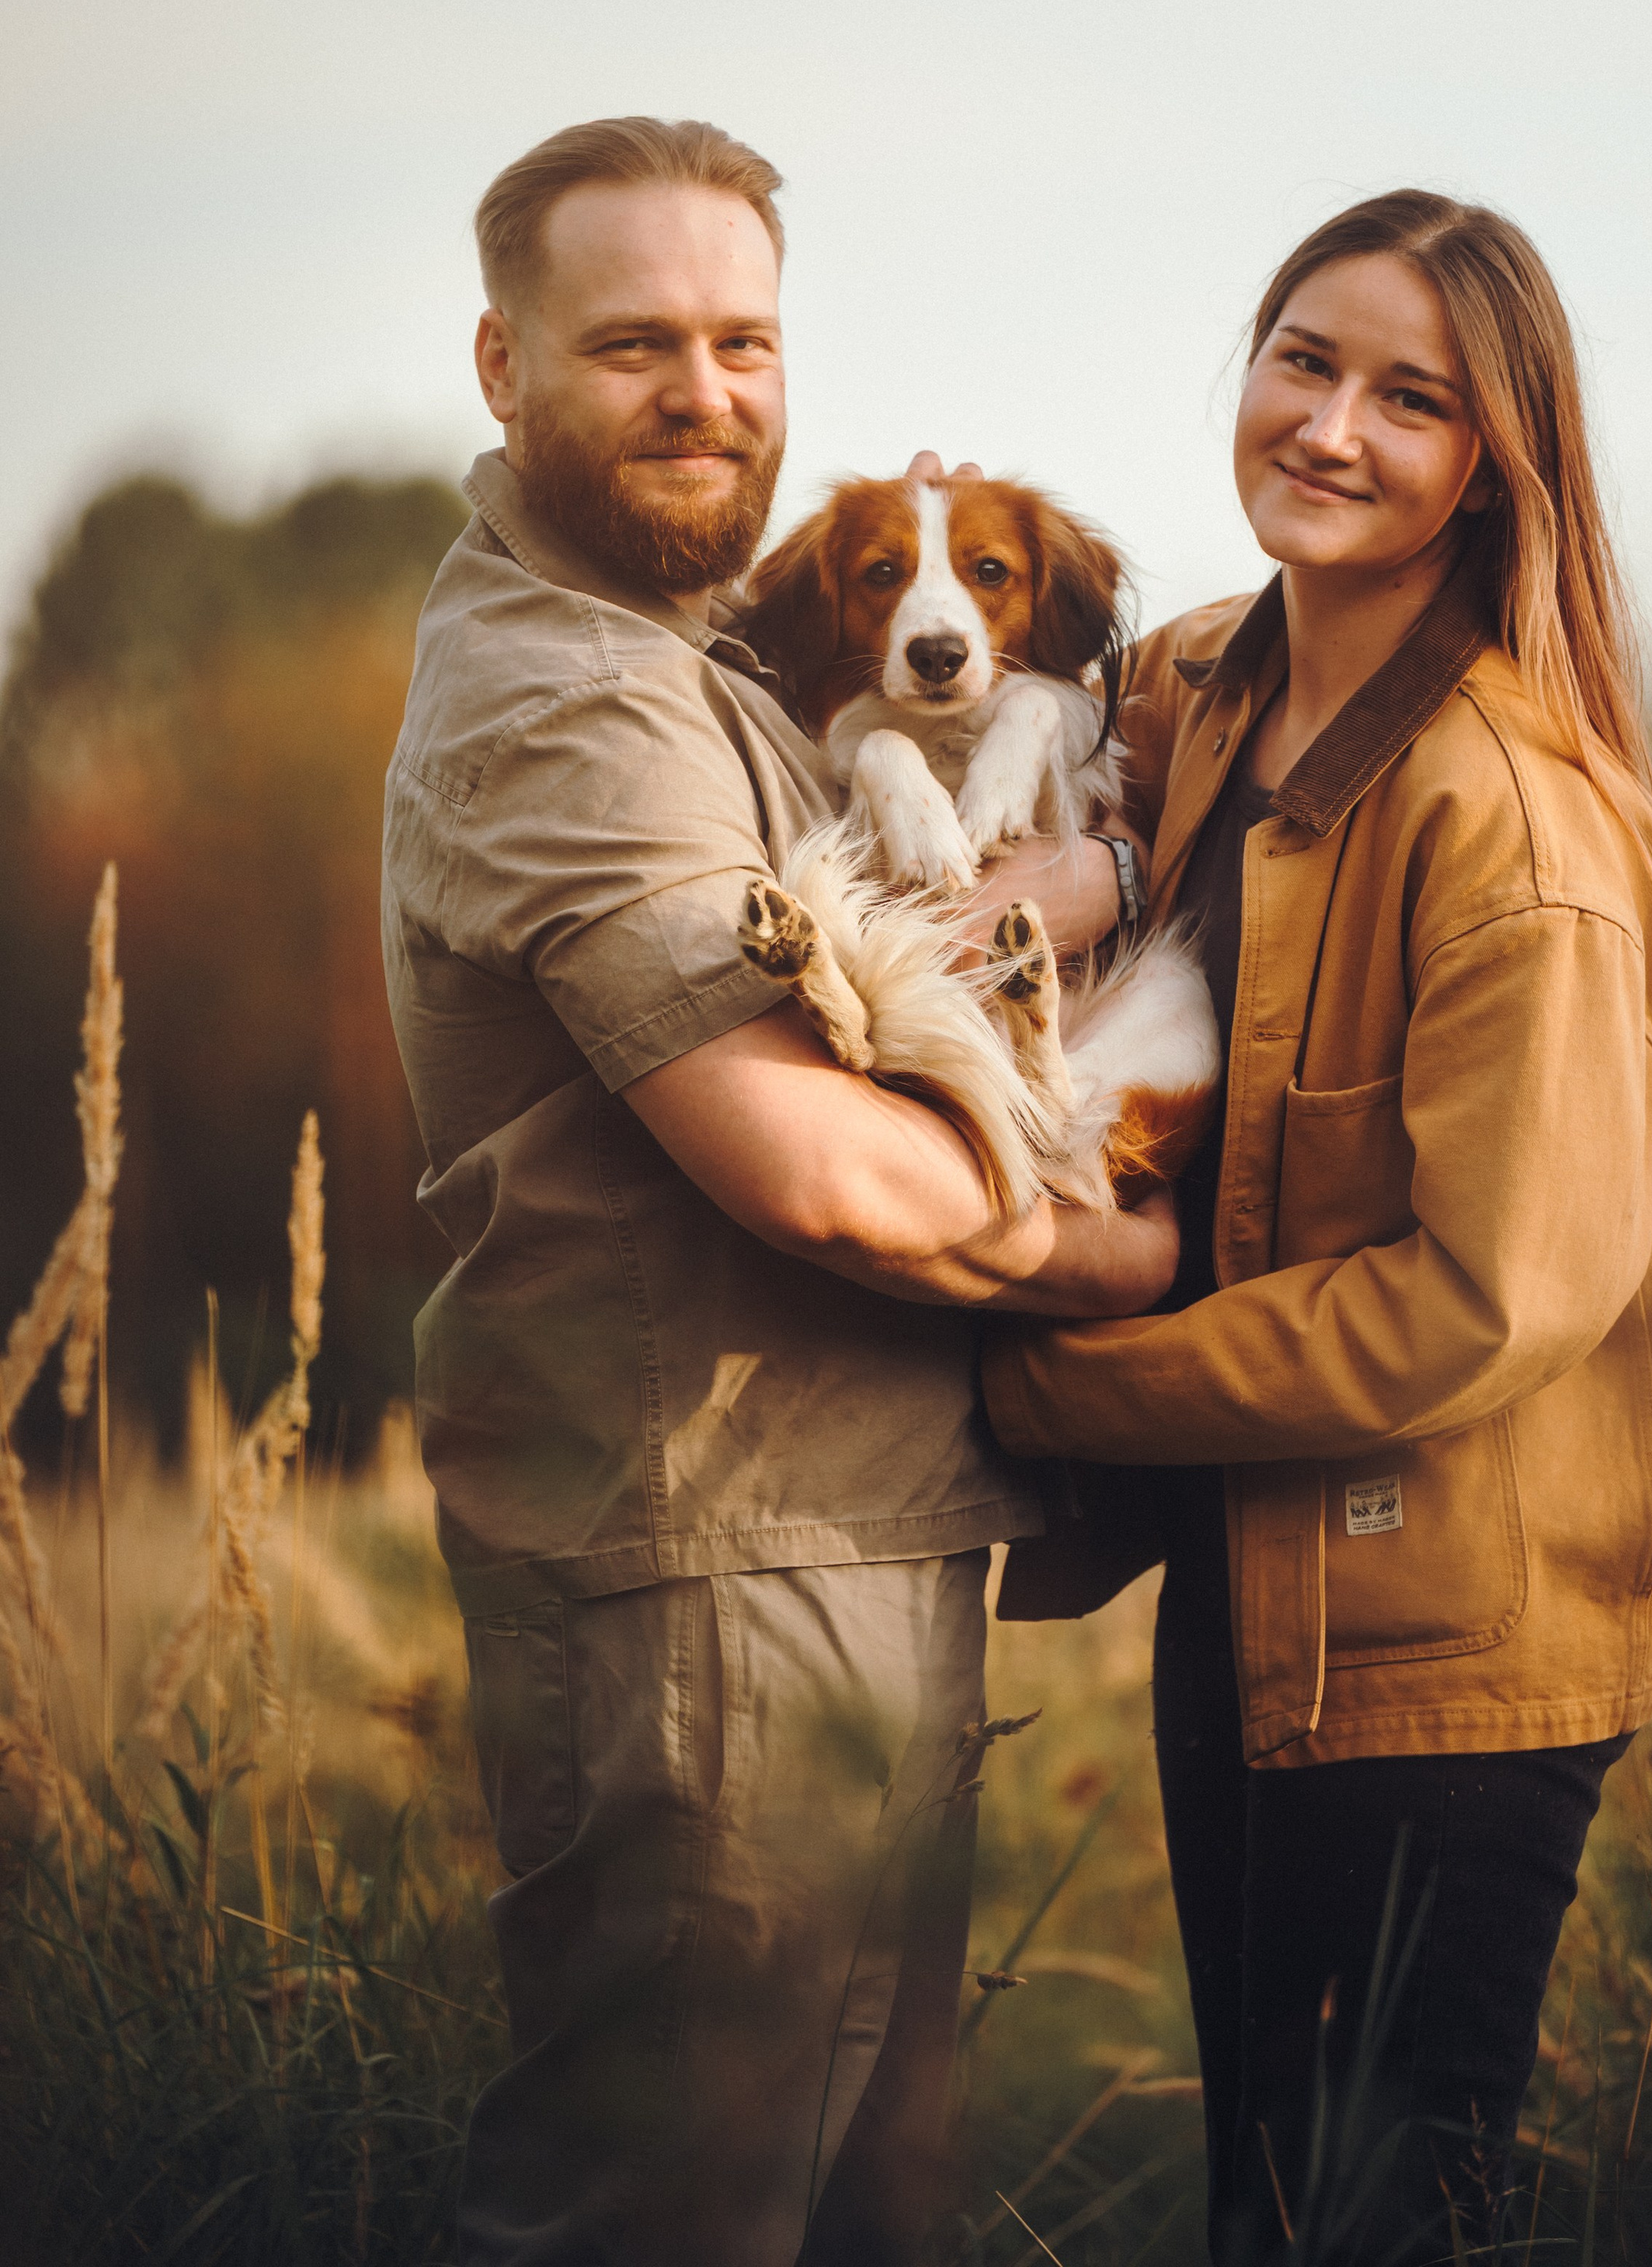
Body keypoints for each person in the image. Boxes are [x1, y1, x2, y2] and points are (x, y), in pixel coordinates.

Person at [379, 113, 1175, 2267]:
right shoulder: (559, 703)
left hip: (857, 1535)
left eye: (744, 337)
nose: (706, 393)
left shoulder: (707, 658)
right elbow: (822, 1179)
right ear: (499, 364)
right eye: (635, 341)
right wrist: (1160, 1265)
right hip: (705, 1579)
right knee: (674, 2218)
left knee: (871, 2211)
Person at [984, 190, 1652, 2262]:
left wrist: (1055, 1398)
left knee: (1378, 2212)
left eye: (1412, 399)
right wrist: (1055, 869)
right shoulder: (1213, 689)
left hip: (1449, 1641)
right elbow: (1020, 712)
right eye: (1304, 358)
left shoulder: (1519, 819)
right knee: (1274, 2201)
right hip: (1253, 1571)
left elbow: (1482, 1300)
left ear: (1494, 465)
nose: (1331, 427)